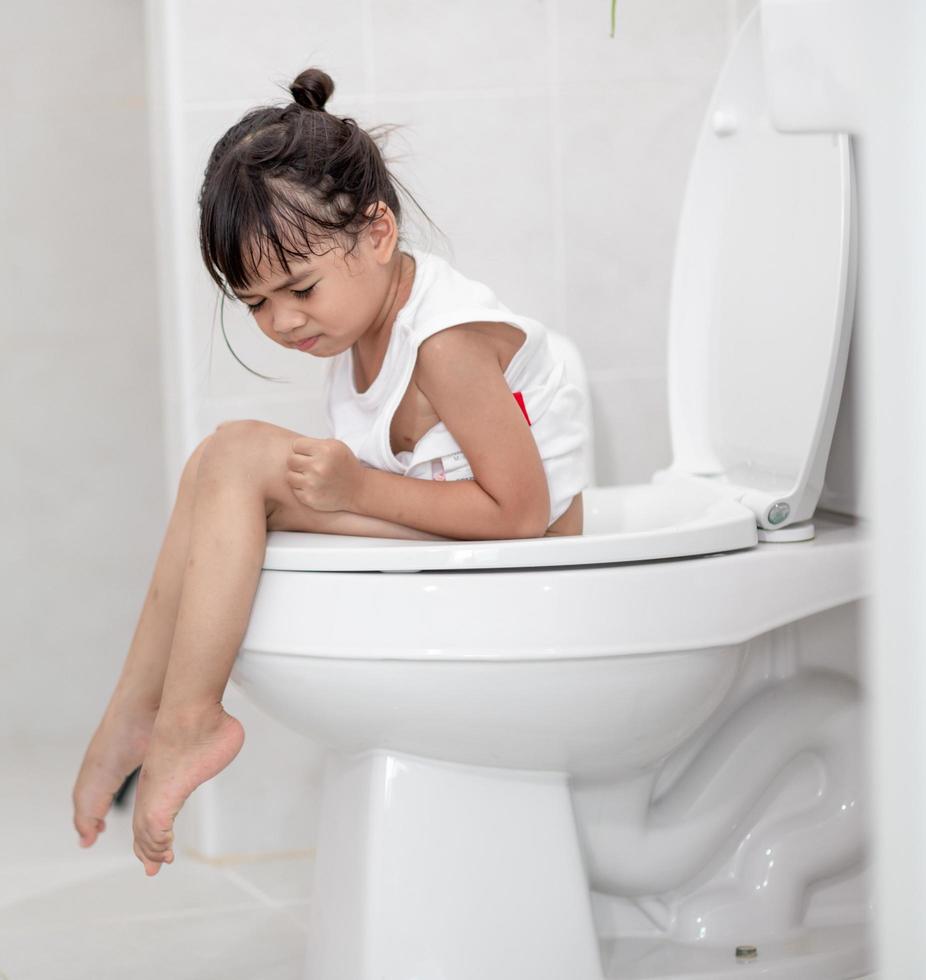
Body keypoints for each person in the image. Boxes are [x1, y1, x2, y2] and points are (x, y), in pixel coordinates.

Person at [71, 66, 589, 876]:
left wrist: (358, 489)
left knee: (237, 455)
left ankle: (186, 720)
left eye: (299, 288)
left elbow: (521, 514)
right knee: (217, 463)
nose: (280, 321)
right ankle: (139, 713)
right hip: (468, 550)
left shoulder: (447, 346)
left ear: (377, 233)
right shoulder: (362, 325)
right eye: (254, 303)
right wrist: (356, 490)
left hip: (525, 566)